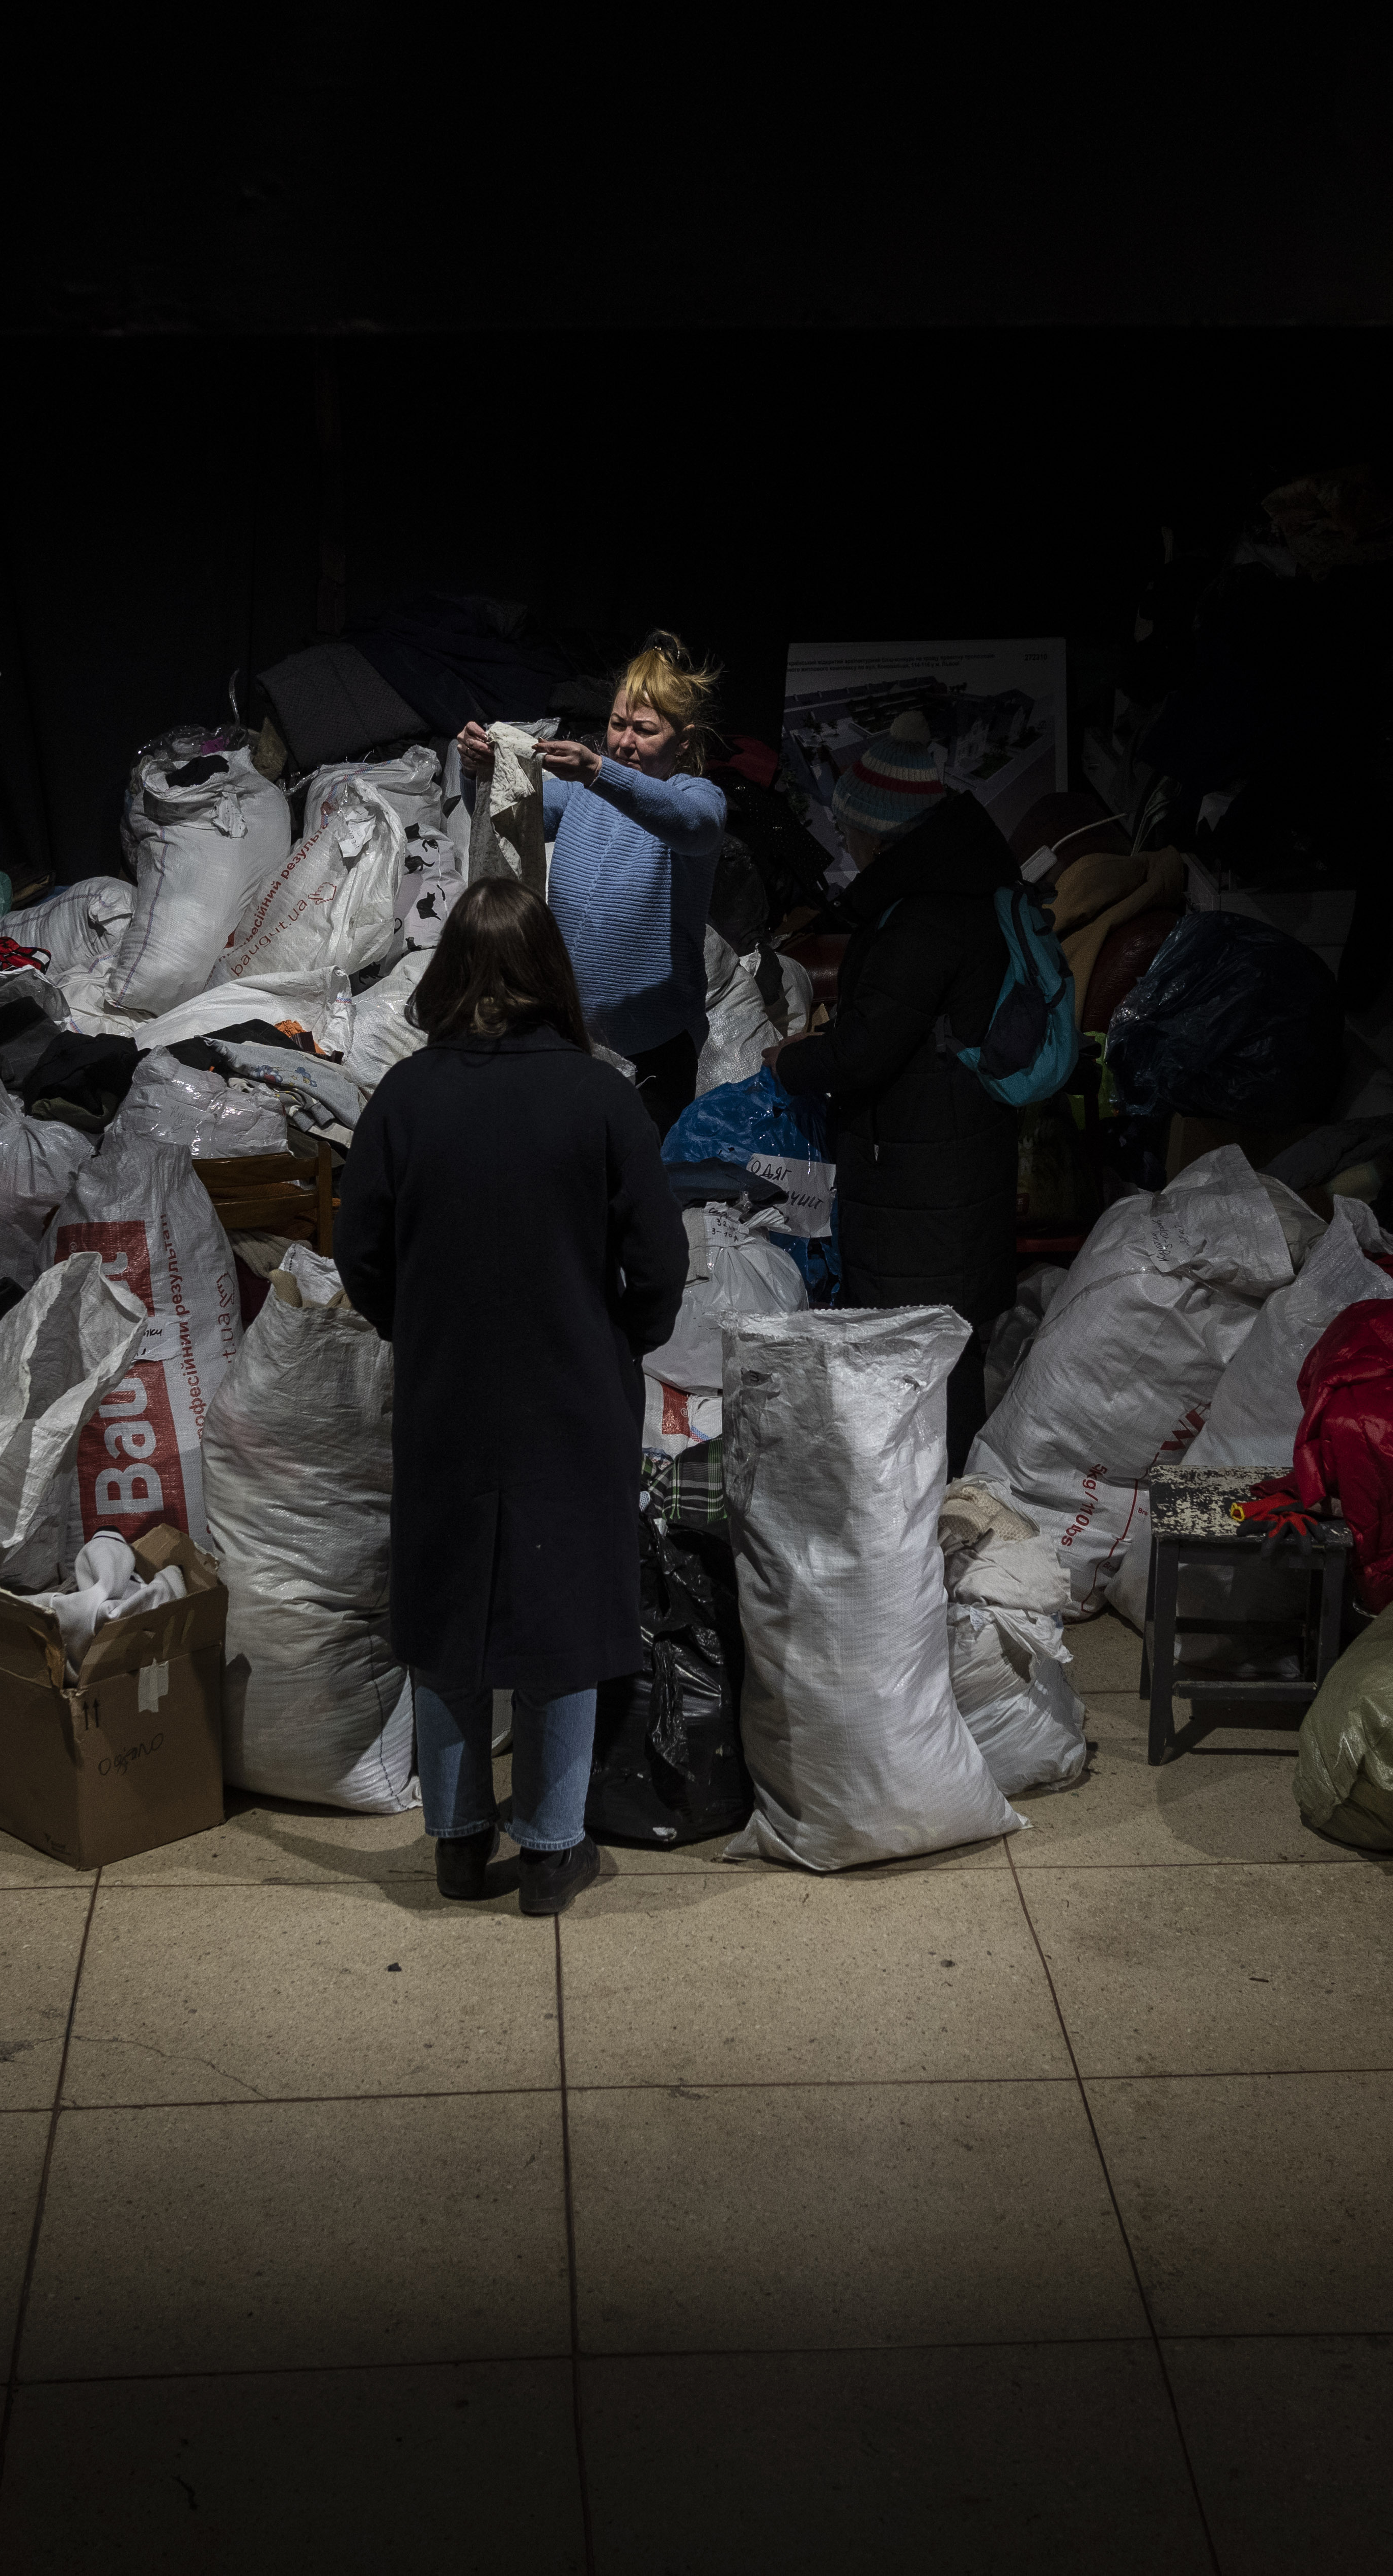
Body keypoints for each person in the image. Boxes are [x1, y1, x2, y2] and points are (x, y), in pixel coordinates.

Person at [333, 878, 687, 1916]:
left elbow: (360, 1256)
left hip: (449, 1391)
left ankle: (453, 1841)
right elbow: (659, 1261)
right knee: (561, 1612)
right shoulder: (601, 1097)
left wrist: (422, 1326)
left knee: (450, 1611)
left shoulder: (404, 1099)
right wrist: (624, 1335)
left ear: (450, 972)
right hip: (574, 1390)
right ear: (550, 975)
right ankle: (549, 1849)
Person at [769, 713, 1021, 1465]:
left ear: (878, 832)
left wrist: (790, 1064)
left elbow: (865, 1052)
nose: (843, 841)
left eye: (848, 828)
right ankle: (938, 1526)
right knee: (946, 1352)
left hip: (921, 1181)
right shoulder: (958, 891)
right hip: (949, 1159)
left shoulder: (923, 919)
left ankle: (923, 1534)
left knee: (917, 1359)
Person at [455, 631, 724, 1129]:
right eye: (618, 724)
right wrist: (480, 772)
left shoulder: (695, 795)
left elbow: (693, 825)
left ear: (683, 742)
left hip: (657, 1048)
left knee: (635, 1183)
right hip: (575, 1037)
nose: (624, 741)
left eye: (644, 729)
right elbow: (500, 815)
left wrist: (598, 770)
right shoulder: (585, 796)